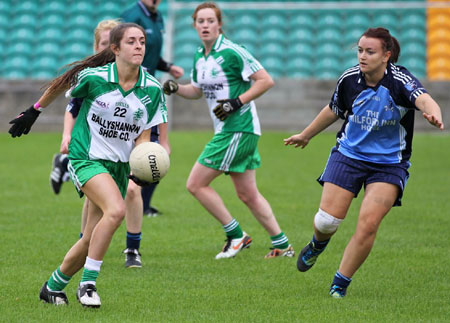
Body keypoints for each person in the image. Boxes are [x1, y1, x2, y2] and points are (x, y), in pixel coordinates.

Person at [9, 23, 169, 307]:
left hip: (119, 167)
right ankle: (88, 284)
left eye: (142, 41)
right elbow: (61, 84)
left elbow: (143, 136)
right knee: (117, 210)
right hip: (86, 158)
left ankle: (53, 286)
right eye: (131, 41)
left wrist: (143, 164)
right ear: (116, 49)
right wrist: (33, 112)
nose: (139, 46)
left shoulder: (153, 89)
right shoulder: (95, 78)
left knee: (90, 239)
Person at [284, 27, 444, 298]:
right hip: (349, 156)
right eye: (360, 50)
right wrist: (305, 135)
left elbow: (425, 99)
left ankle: (340, 284)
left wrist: (433, 114)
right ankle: (317, 245)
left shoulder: (400, 80)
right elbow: (334, 110)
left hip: (389, 165)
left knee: (368, 224)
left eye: (370, 51)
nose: (362, 56)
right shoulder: (349, 79)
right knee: (326, 223)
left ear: (386, 55)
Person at [163, 2, 294, 259]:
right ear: (194, 25)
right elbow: (197, 91)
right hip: (230, 129)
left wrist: (237, 102)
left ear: (219, 24)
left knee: (195, 184)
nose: (205, 25)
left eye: (210, 20)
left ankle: (236, 235)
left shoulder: (233, 51)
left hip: (238, 128)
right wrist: (177, 89)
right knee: (247, 194)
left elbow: (266, 80)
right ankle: (283, 245)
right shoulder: (200, 56)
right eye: (200, 21)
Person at [121, 0, 184, 218]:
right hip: (130, 92)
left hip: (149, 92)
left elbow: (151, 53)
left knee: (157, 151)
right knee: (123, 150)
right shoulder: (132, 14)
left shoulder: (157, 16)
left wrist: (167, 67)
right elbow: (125, 53)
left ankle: (143, 205)